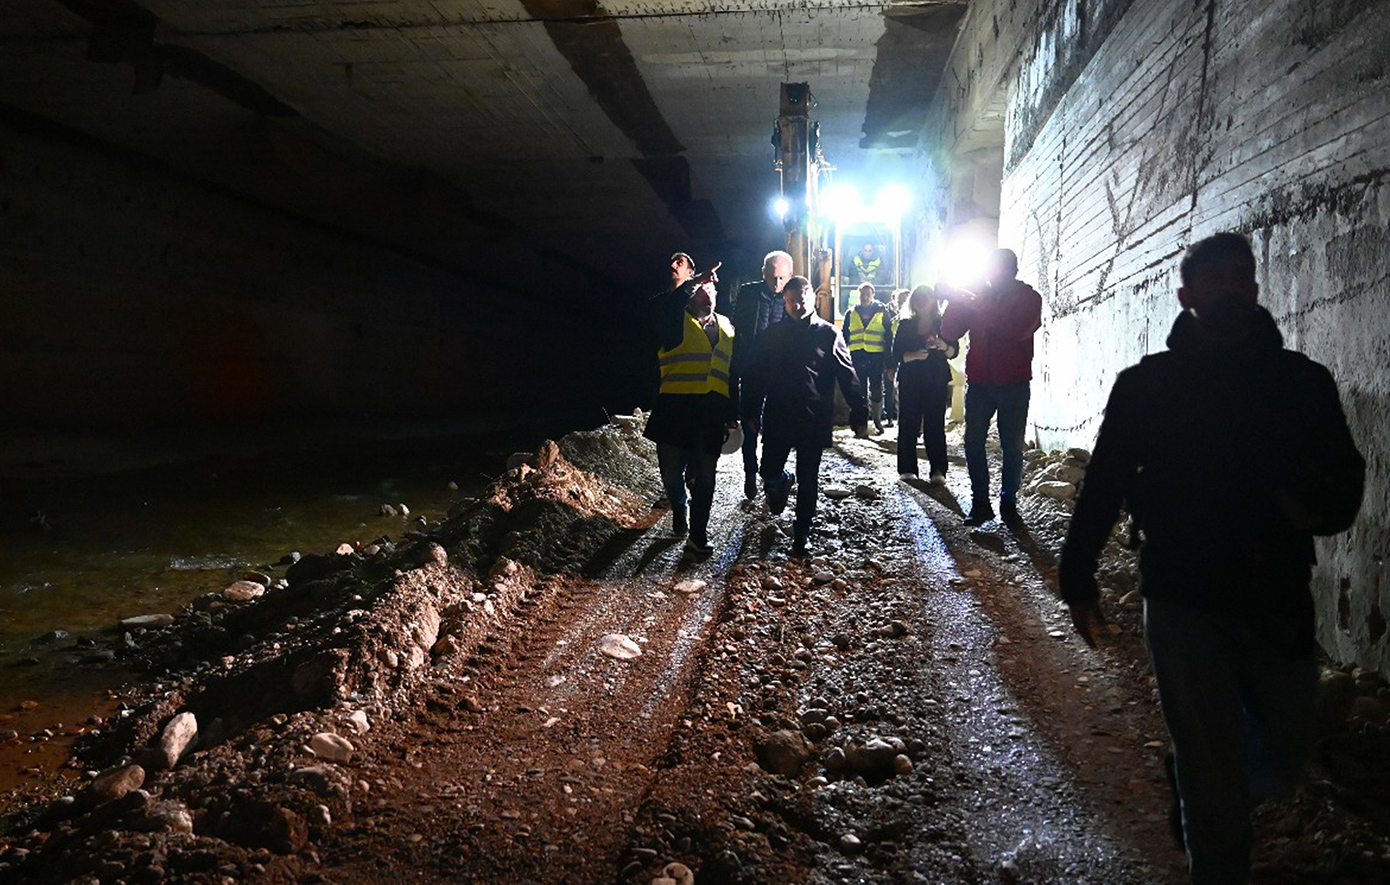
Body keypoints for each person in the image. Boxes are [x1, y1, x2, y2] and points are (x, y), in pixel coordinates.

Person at [1057, 232, 1364, 885]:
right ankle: (1207, 819)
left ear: (1255, 287)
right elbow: (1105, 479)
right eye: (1216, 280)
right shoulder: (1149, 386)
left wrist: (1306, 502)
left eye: (1241, 277)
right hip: (1182, 597)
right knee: (1214, 785)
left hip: (1276, 595)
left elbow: (1345, 480)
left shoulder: (1300, 382)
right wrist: (1077, 574)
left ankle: (1197, 778)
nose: (1232, 289)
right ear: (1186, 296)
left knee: (1281, 756)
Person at [742, 275, 868, 556]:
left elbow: (847, 376)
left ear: (811, 299)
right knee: (769, 471)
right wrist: (749, 409)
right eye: (791, 301)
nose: (797, 306)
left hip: (813, 417)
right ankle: (782, 480)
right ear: (784, 301)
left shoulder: (828, 334)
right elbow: (755, 375)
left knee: (809, 478)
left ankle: (802, 536)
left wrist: (859, 413)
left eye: (802, 300)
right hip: (778, 415)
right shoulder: (771, 335)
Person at [939, 248, 1042, 526]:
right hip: (981, 382)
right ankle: (980, 503)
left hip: (1014, 382)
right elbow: (950, 331)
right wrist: (955, 301)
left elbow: (1017, 329)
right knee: (973, 442)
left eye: (996, 270)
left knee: (1012, 446)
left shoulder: (1029, 298)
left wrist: (977, 304)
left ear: (1012, 271)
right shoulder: (978, 298)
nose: (990, 276)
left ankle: (1008, 503)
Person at [643, 253, 737, 555]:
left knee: (706, 476)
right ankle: (679, 508)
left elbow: (732, 374)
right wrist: (694, 279)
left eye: (712, 287)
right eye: (701, 286)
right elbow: (665, 306)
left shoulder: (728, 327)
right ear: (689, 293)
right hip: (674, 411)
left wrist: (733, 414)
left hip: (710, 414)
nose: (708, 289)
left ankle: (698, 536)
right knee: (671, 474)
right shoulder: (672, 320)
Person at [731, 250, 792, 500]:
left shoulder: (793, 296)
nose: (776, 284)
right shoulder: (748, 294)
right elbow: (738, 328)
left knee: (776, 426)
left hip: (779, 374)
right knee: (750, 424)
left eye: (781, 278)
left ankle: (770, 476)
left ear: (789, 276)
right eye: (772, 277)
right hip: (753, 369)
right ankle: (749, 471)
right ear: (763, 273)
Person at [890, 285, 957, 481]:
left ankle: (938, 470)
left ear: (933, 300)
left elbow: (954, 351)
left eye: (926, 296)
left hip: (936, 380)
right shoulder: (905, 325)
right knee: (908, 423)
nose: (922, 300)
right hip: (911, 380)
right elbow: (895, 355)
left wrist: (944, 346)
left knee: (935, 425)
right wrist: (912, 356)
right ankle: (907, 469)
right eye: (918, 297)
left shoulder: (943, 324)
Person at [842, 283, 894, 433]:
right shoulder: (850, 313)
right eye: (862, 295)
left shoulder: (882, 312)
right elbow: (844, 336)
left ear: (873, 295)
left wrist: (888, 359)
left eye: (868, 294)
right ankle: (861, 425)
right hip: (857, 356)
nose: (865, 297)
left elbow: (888, 336)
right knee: (860, 391)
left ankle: (877, 420)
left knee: (877, 389)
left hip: (876, 356)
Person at [883, 288, 911, 427]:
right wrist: (891, 364)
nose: (902, 305)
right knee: (894, 393)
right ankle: (894, 421)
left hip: (912, 364)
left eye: (905, 301)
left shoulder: (916, 322)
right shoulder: (893, 321)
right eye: (900, 302)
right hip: (898, 362)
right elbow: (890, 343)